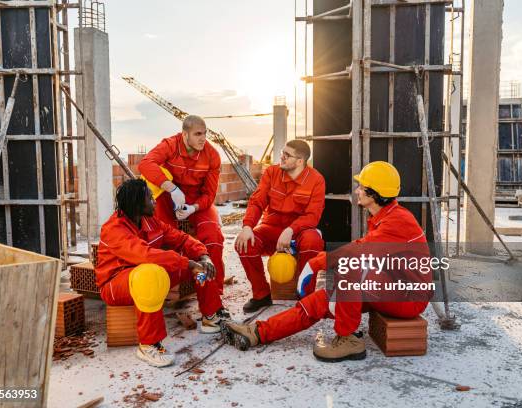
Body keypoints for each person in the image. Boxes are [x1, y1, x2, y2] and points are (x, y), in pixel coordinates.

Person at [222, 161, 432, 362]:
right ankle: (258, 332)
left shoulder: (398, 222)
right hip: (389, 285)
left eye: (361, 187)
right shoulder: (386, 216)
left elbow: (357, 253)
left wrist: (316, 263)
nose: (357, 190)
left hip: (408, 295)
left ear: (373, 193)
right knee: (320, 301)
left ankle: (348, 339)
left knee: (350, 267)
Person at [95, 179, 229, 367]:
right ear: (137, 203)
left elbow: (181, 239)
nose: (155, 200)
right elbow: (145, 255)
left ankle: (211, 316)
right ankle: (149, 345)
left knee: (199, 268)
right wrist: (186, 263)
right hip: (115, 284)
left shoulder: (150, 221)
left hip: (148, 274)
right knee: (150, 274)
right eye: (150, 197)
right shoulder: (114, 229)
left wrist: (202, 256)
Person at [234, 140, 326, 313]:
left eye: (287, 155)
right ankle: (261, 295)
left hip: (300, 230)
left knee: (313, 241)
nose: (281, 157)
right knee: (244, 244)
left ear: (300, 161)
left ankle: (305, 295)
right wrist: (247, 226)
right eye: (282, 153)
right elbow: (257, 202)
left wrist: (291, 230)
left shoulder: (316, 180)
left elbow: (313, 216)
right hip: (271, 227)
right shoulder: (271, 172)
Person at [138, 115, 226, 291]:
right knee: (163, 235)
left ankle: (214, 293)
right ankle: (167, 284)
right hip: (170, 196)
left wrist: (193, 208)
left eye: (205, 133)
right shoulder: (170, 145)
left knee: (213, 237)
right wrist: (172, 189)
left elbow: (209, 194)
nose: (203, 138)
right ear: (185, 135)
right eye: (197, 134)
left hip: (197, 201)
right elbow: (146, 164)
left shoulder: (212, 155)